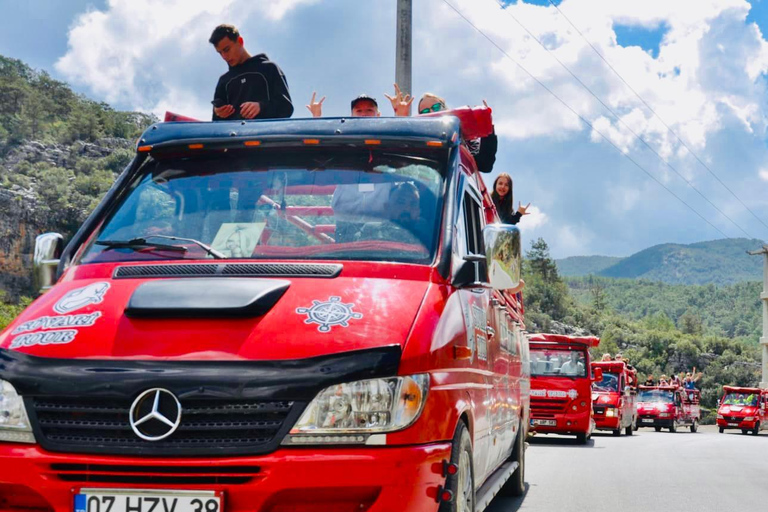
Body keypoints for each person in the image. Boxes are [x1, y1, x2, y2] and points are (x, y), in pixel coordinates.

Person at [209, 24, 293, 121]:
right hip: (235, 135)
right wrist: (218, 113)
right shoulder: (224, 81)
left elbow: (286, 108)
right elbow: (216, 125)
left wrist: (261, 107)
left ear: (240, 41)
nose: (224, 56)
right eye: (220, 53)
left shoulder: (269, 69)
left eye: (227, 50)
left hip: (266, 134)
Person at [306, 92, 381, 117]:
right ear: (352, 116)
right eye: (359, 111)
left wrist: (394, 110)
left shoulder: (387, 132)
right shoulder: (345, 133)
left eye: (369, 110)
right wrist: (316, 116)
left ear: (378, 115)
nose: (364, 114)